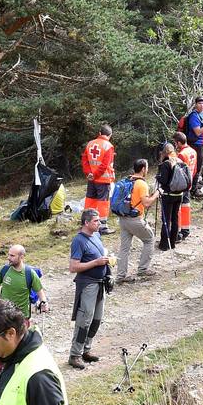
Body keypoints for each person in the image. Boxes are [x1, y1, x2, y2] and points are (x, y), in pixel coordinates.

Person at [66, 210, 110, 370]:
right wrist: (96, 263)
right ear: (86, 223)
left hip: (100, 283)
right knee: (84, 320)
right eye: (96, 221)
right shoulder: (78, 240)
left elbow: (99, 255)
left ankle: (86, 349)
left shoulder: (97, 236)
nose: (99, 223)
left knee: (96, 319)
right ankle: (75, 355)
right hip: (87, 284)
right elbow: (73, 266)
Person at [115, 159, 155, 284]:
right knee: (149, 239)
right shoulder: (142, 184)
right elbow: (147, 203)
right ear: (143, 169)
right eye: (147, 168)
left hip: (123, 218)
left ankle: (121, 276)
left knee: (124, 247)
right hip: (135, 219)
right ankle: (143, 269)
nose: (147, 170)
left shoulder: (127, 180)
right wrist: (157, 194)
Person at [155, 143, 189, 251]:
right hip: (179, 195)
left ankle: (164, 244)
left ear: (164, 152)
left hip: (168, 195)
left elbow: (164, 180)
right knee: (175, 218)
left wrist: (158, 177)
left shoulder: (166, 164)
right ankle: (173, 242)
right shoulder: (180, 162)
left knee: (166, 219)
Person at [81, 125, 116, 219]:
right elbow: (105, 165)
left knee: (90, 200)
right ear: (110, 135)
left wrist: (89, 174)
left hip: (91, 179)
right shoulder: (108, 146)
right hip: (103, 180)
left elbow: (84, 161)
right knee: (103, 202)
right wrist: (95, 175)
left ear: (99, 133)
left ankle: (86, 222)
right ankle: (102, 225)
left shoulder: (90, 144)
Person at [175, 133, 199, 240]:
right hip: (189, 182)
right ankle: (186, 229)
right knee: (186, 207)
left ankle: (178, 232)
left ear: (179, 142)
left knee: (178, 209)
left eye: (175, 143)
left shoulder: (181, 155)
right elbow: (195, 169)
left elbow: (178, 172)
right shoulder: (193, 151)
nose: (175, 145)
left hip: (182, 184)